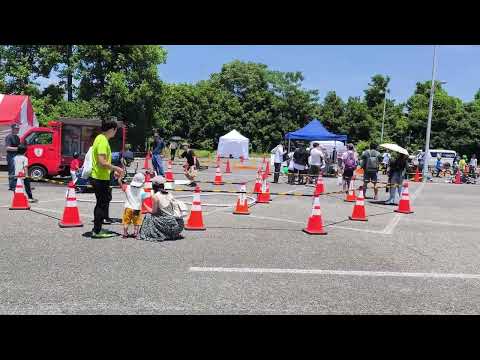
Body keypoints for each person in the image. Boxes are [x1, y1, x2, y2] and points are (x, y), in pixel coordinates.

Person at [90, 119, 124, 239]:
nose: (115, 133)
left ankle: (97, 228)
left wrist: (112, 170)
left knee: (101, 202)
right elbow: (102, 162)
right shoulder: (103, 141)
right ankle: (97, 231)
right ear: (112, 129)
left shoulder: (99, 138)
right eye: (115, 130)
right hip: (100, 178)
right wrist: (117, 169)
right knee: (101, 204)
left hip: (99, 176)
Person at [138, 176, 185, 242]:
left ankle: (153, 234)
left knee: (148, 216)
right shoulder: (169, 194)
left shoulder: (155, 196)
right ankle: (172, 234)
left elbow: (153, 212)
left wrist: (144, 204)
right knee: (161, 217)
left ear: (154, 185)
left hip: (169, 225)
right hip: (178, 225)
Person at [118, 172, 147, 239]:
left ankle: (125, 234)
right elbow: (143, 200)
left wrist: (120, 178)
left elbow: (120, 183)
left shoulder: (127, 187)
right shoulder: (142, 191)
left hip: (128, 207)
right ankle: (135, 234)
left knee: (126, 222)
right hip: (137, 208)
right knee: (136, 222)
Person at [6, 124, 21, 191]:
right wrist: (18, 149)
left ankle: (15, 184)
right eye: (16, 129)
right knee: (12, 171)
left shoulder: (17, 137)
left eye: (18, 129)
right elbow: (7, 148)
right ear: (12, 129)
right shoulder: (9, 137)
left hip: (16, 155)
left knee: (17, 171)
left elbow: (19, 146)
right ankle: (12, 186)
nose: (17, 130)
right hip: (11, 156)